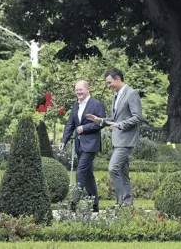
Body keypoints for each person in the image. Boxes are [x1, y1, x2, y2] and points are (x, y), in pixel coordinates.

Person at [86, 69, 143, 207]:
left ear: (118, 79)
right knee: (123, 172)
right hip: (117, 140)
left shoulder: (132, 94)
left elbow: (137, 117)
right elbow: (114, 119)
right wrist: (99, 120)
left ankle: (121, 202)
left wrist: (120, 125)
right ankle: (126, 203)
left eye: (109, 82)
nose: (108, 85)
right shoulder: (116, 96)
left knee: (113, 168)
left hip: (126, 140)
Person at [59, 80, 106, 212]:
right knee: (88, 173)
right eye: (77, 90)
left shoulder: (97, 104)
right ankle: (95, 203)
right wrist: (64, 140)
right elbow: (70, 124)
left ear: (88, 89)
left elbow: (101, 123)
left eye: (81, 89)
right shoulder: (75, 105)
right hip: (79, 144)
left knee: (80, 171)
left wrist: (84, 128)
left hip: (91, 144)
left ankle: (74, 201)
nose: (79, 92)